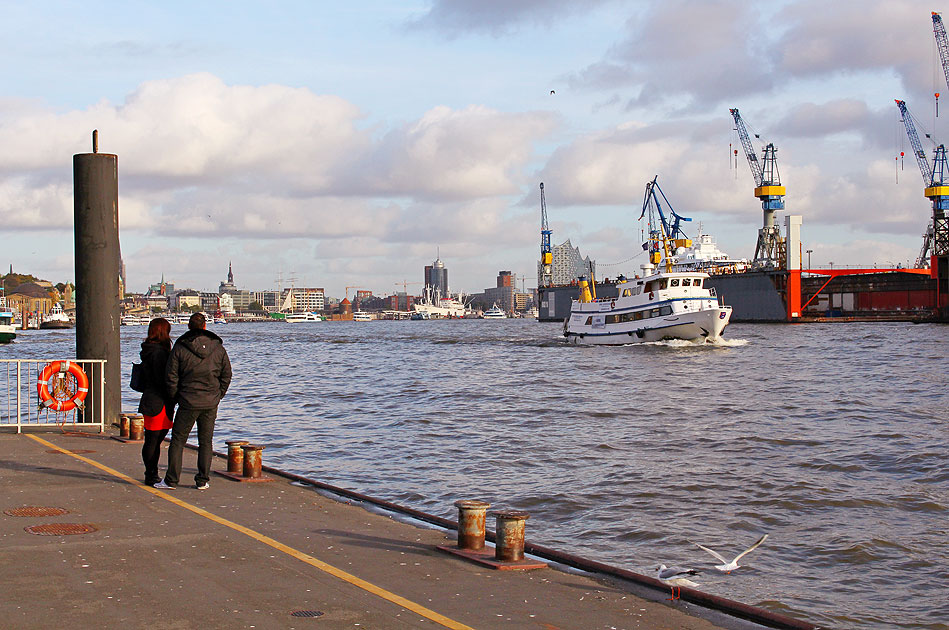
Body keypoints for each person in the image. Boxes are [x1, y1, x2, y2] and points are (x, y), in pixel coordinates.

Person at [155, 312, 232, 490]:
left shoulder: (181, 347)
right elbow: (226, 374)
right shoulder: (218, 347)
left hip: (188, 400)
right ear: (205, 326)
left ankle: (171, 480)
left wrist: (176, 396)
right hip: (210, 402)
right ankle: (202, 480)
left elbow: (171, 375)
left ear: (188, 326)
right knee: (206, 441)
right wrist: (218, 395)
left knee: (178, 440)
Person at [138, 317, 175, 486]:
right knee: (154, 439)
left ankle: (150, 472)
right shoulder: (160, 353)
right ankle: (151, 474)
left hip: (150, 398)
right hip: (159, 401)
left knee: (153, 438)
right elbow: (163, 379)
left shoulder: (148, 350)